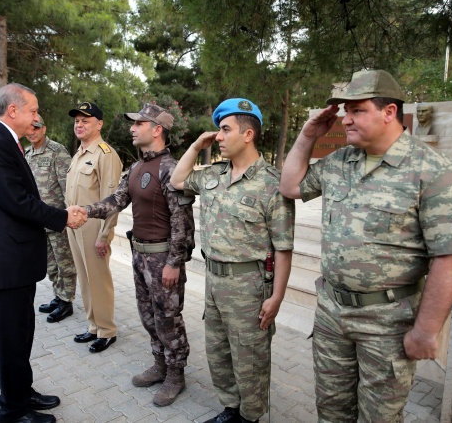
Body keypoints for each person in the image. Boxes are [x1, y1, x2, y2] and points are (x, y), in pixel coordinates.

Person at [279, 69, 452, 422]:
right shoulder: (341, 161)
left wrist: (426, 331)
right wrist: (307, 135)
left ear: (389, 112)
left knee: (379, 417)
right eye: (346, 111)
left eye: (357, 110)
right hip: (332, 313)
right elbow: (290, 186)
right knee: (331, 410)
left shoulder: (433, 170)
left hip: (389, 322)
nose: (346, 119)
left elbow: (448, 259)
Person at [0, 83, 87, 423]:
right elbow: (17, 202)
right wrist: (63, 217)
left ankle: (23, 392)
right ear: (13, 110)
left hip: (12, 262)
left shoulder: (3, 141)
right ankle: (13, 410)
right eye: (33, 110)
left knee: (21, 334)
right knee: (11, 340)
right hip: (3, 264)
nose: (37, 117)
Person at [170, 98, 295, 423]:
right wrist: (196, 146)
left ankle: (250, 416)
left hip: (249, 286)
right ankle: (230, 408)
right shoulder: (213, 175)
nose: (219, 137)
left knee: (249, 356)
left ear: (248, 134)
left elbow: (283, 247)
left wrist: (277, 297)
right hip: (214, 280)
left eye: (225, 130)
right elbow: (177, 181)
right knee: (218, 350)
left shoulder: (273, 183)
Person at [84, 103, 195, 406]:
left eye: (139, 124)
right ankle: (160, 364)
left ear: (157, 130)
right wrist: (85, 210)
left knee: (168, 319)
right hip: (140, 255)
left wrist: (174, 262)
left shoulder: (171, 169)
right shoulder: (135, 168)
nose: (132, 129)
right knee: (148, 317)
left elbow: (181, 221)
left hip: (163, 259)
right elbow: (116, 200)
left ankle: (176, 374)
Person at [65, 102, 123, 354]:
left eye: (85, 121)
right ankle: (93, 326)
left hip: (93, 227)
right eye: (77, 121)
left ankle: (107, 330)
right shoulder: (79, 153)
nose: (79, 125)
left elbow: (112, 200)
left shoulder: (105, 154)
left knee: (98, 280)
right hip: (74, 226)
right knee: (85, 278)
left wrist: (104, 235)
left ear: (99, 125)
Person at [25, 115, 77, 323]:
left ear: (44, 129)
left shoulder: (57, 151)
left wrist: (69, 216)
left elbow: (68, 188)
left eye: (36, 128)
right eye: (30, 128)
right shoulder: (27, 154)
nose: (32, 132)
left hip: (57, 219)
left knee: (65, 263)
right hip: (39, 220)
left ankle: (67, 301)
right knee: (50, 264)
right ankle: (58, 295)